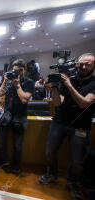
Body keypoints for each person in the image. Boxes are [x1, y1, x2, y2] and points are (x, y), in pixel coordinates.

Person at [39, 53, 95, 199]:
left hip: (80, 126)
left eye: (88, 64)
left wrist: (69, 85)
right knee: (49, 152)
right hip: (59, 122)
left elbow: (84, 103)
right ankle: (52, 173)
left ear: (93, 66)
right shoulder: (69, 80)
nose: (83, 66)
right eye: (81, 63)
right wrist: (54, 88)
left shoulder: (93, 83)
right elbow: (58, 103)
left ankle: (73, 182)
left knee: (77, 160)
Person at [0, 59, 34, 175]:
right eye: (15, 70)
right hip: (7, 114)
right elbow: (0, 94)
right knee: (1, 141)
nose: (17, 73)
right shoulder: (9, 81)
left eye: (20, 70)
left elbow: (24, 99)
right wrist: (5, 80)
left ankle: (16, 166)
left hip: (20, 116)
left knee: (18, 145)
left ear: (24, 70)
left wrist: (17, 85)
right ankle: (4, 162)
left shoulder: (29, 82)